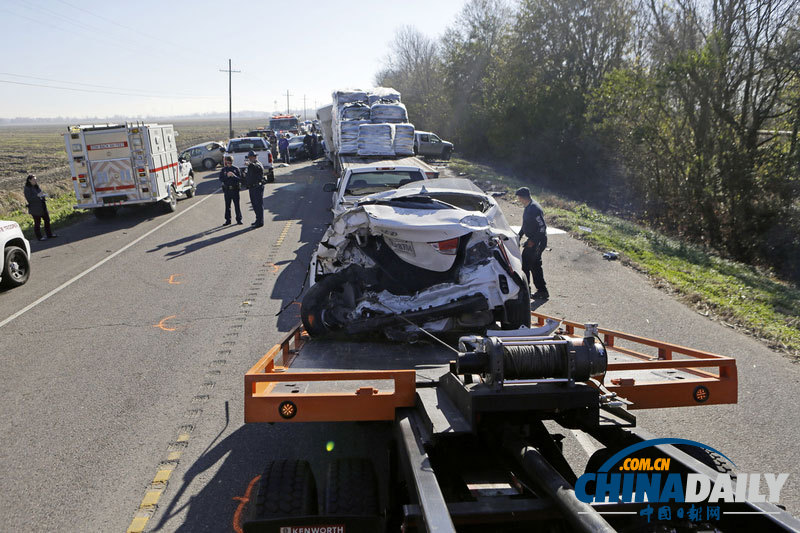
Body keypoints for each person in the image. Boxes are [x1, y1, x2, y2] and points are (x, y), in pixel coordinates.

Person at [515, 187, 548, 299]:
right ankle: (542, 291)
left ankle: (526, 291)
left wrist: (533, 241)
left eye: (519, 198)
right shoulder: (528, 207)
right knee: (535, 265)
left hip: (538, 242)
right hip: (532, 241)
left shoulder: (534, 208)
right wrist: (518, 237)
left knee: (526, 264)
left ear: (523, 197)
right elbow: (525, 225)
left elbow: (542, 227)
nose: (518, 200)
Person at [24, 175, 57, 241]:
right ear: (29, 180)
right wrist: (38, 196)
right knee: (37, 223)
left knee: (47, 220)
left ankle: (49, 234)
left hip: (42, 206)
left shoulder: (36, 186)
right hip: (35, 208)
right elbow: (29, 199)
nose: (35, 181)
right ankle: (39, 237)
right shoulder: (27, 188)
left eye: (35, 179)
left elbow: (40, 193)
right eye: (34, 179)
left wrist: (43, 195)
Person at [218, 155, 243, 225]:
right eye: (228, 162)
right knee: (227, 206)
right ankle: (228, 220)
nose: (229, 164)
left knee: (237, 205)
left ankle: (239, 219)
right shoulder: (224, 170)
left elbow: (240, 179)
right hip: (227, 190)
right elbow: (221, 179)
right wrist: (227, 176)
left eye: (230, 163)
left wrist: (233, 176)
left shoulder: (235, 169)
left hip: (235, 189)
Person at [243, 150, 265, 228]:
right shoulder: (250, 165)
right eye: (249, 157)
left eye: (251, 157)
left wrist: (250, 164)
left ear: (255, 157)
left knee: (258, 204)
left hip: (257, 187)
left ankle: (260, 221)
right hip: (252, 187)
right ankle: (257, 220)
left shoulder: (257, 164)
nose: (250, 159)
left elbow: (256, 167)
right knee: (254, 204)